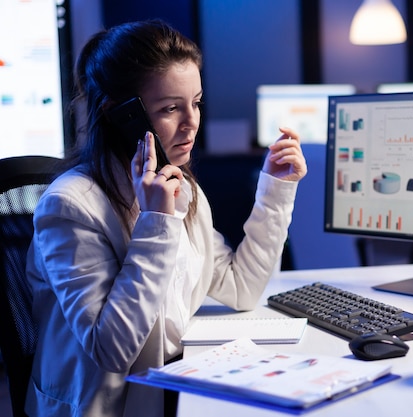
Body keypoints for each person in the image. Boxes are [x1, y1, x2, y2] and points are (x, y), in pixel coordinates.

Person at [25, 19, 307, 417]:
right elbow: (113, 349)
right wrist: (157, 221)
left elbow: (240, 287)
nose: (192, 122)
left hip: (176, 386)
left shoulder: (182, 188)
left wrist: (275, 190)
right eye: (171, 108)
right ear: (121, 115)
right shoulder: (69, 206)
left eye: (196, 102)